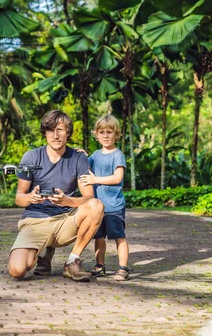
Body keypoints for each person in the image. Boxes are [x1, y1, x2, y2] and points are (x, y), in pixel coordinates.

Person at [8, 110, 104, 282]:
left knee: (96, 206)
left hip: (65, 220)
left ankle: (72, 261)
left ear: (68, 132)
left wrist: (67, 201)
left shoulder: (78, 157)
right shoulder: (31, 157)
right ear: (45, 133)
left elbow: (89, 197)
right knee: (18, 270)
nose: (56, 135)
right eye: (51, 129)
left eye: (60, 129)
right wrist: (30, 197)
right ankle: (44, 252)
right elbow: (19, 198)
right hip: (35, 221)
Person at [79, 114, 130, 281]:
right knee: (98, 237)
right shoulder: (95, 154)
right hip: (97, 207)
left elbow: (117, 178)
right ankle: (100, 266)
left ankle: (123, 268)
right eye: (102, 132)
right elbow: (86, 164)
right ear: (97, 134)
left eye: (110, 132)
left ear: (117, 134)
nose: (106, 135)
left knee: (118, 237)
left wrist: (95, 180)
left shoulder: (117, 155)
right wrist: (81, 155)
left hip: (114, 206)